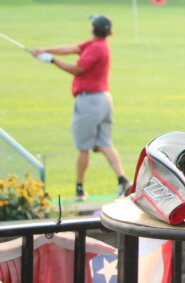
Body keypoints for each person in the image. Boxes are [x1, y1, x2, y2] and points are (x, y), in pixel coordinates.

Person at [32, 15, 130, 202]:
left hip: (90, 102)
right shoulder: (96, 45)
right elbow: (71, 49)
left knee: (83, 147)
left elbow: (77, 69)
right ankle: (123, 180)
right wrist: (44, 50)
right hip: (103, 100)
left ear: (94, 29)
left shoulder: (96, 49)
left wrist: (52, 61)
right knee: (104, 143)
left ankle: (79, 189)